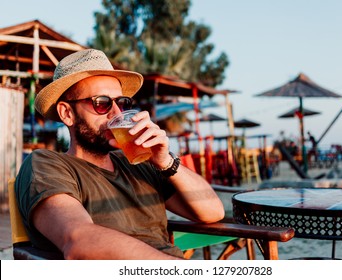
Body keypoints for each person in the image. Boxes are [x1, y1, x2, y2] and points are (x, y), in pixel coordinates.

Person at [15, 49, 225, 260]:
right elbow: (80, 242)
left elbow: (213, 212)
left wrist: (166, 161)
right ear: (67, 113)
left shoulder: (139, 163)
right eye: (102, 103)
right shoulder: (48, 165)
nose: (117, 113)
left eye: (122, 103)